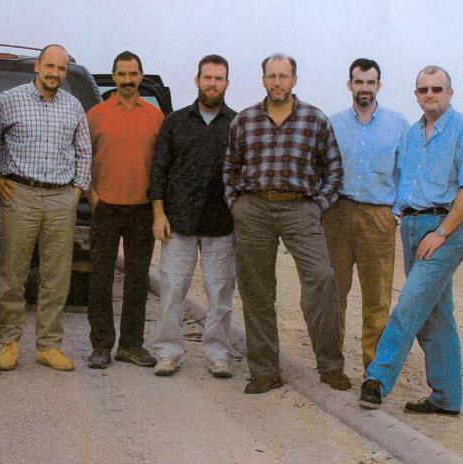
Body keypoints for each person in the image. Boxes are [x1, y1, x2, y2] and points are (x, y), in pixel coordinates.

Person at [360, 65, 463, 416]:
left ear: (450, 92)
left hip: (447, 229)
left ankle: (376, 380)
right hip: (413, 226)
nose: (430, 95)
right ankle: (446, 398)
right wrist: (398, 213)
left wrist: (442, 232)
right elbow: (404, 178)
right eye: (423, 90)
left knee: (409, 306)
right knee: (436, 315)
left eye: (436, 89)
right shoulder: (412, 134)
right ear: (416, 95)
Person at [223, 53, 350, 394]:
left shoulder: (314, 120)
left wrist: (317, 206)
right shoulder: (245, 121)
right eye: (271, 76)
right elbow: (231, 168)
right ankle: (264, 371)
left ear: (295, 80)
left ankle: (330, 366)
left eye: (283, 76)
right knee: (257, 290)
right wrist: (236, 203)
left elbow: (334, 170)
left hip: (300, 210)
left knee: (322, 279)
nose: (277, 82)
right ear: (262, 80)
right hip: (254, 211)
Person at [0, 44, 92, 372]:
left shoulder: (73, 106)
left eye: (61, 69)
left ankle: (48, 346)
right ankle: (9, 342)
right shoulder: (9, 101)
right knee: (13, 274)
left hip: (61, 199)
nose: (54, 74)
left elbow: (84, 151)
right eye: (49, 67)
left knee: (57, 277)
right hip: (20, 195)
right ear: (37, 66)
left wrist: (77, 190)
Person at [148, 54, 237, 378]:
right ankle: (168, 352)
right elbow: (159, 169)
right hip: (179, 222)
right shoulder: (175, 121)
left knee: (220, 295)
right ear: (197, 80)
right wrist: (158, 213)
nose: (212, 83)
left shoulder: (237, 124)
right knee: (172, 291)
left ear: (227, 82)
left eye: (219, 78)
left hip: (221, 224)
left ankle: (218, 354)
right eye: (207, 77)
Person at [321, 58, 408, 373]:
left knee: (377, 299)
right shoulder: (332, 124)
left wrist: (394, 213)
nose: (365, 89)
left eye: (371, 83)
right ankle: (331, 365)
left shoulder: (398, 124)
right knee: (333, 294)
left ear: (379, 86)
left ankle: (375, 372)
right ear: (349, 85)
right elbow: (320, 169)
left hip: (378, 219)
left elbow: (406, 172)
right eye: (359, 82)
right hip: (337, 215)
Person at [86, 51, 164, 369]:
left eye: (133, 74)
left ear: (141, 76)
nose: (128, 80)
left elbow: (162, 165)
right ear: (114, 76)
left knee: (137, 280)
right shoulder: (97, 114)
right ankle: (101, 345)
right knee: (100, 278)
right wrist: (92, 195)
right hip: (105, 208)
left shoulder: (155, 116)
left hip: (142, 209)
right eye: (122, 74)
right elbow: (81, 155)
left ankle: (131, 345)